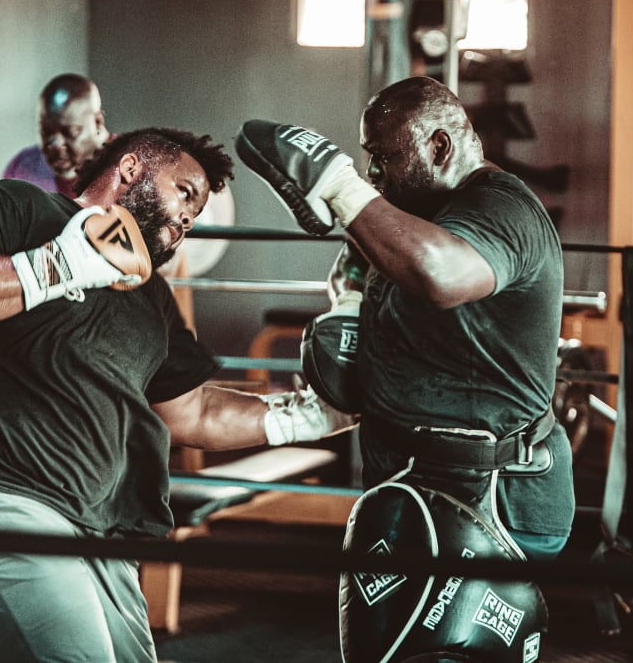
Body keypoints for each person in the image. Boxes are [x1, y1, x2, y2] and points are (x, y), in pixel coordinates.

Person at [0, 126, 356, 663]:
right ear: (132, 169)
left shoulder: (152, 298)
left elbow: (195, 412)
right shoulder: (21, 208)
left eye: (196, 212)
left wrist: (320, 413)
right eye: (185, 192)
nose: (188, 219)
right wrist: (63, 263)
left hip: (94, 522)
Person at [236, 76, 574, 661]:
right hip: (412, 485)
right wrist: (347, 300)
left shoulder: (501, 209)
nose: (374, 177)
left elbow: (440, 274)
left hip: (489, 497)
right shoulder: (409, 216)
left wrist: (339, 187)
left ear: (440, 148)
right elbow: (369, 290)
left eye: (384, 159)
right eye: (365, 163)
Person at [2, 73, 111, 197]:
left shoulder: (128, 168)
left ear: (97, 123)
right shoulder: (20, 169)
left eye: (70, 132)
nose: (56, 144)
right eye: (45, 132)